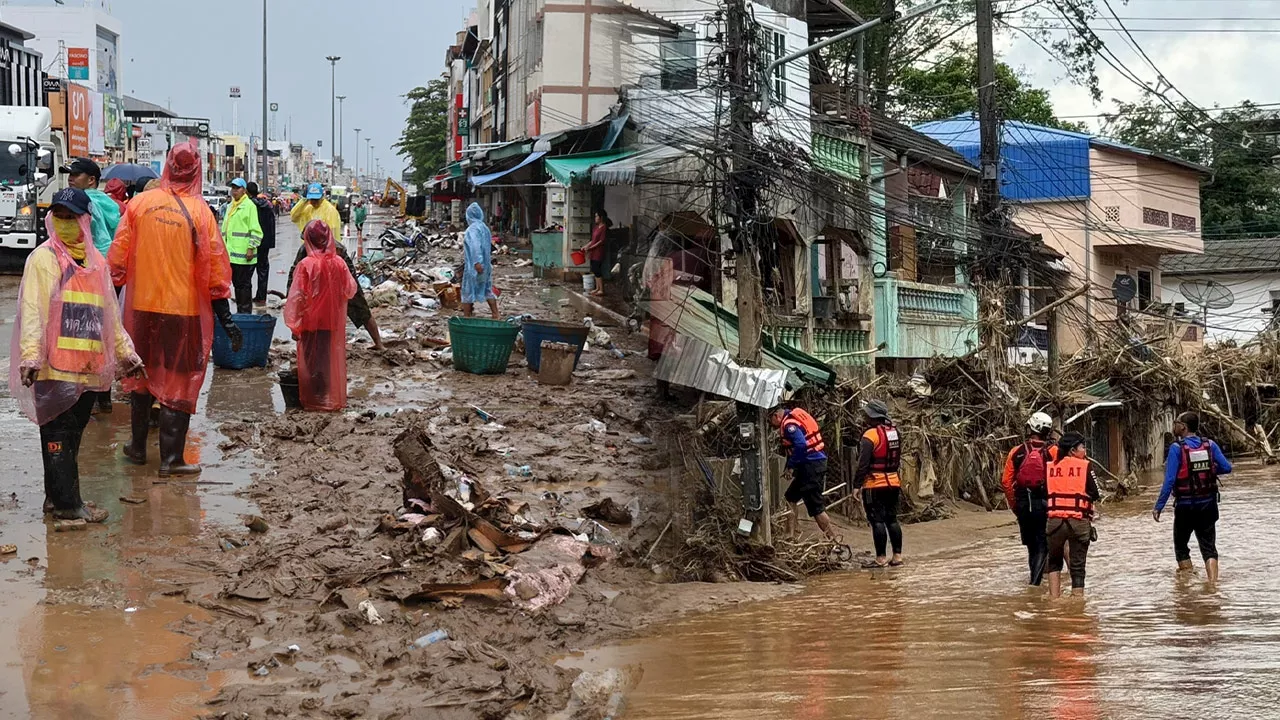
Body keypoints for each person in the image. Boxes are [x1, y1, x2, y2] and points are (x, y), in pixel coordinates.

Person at [10, 187, 144, 522]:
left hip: (87, 368)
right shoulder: (43, 259)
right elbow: (33, 311)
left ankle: (56, 498)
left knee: (73, 436)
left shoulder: (96, 263)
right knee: (57, 436)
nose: (66, 223)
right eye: (61, 216)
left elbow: (109, 315)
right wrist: (31, 356)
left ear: (86, 220)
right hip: (53, 368)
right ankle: (69, 506)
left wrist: (127, 353)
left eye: (72, 217)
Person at [108, 142, 240, 478]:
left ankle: (137, 448)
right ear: (197, 170)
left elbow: (117, 261)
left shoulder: (139, 205)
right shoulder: (201, 214)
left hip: (141, 309)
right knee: (178, 384)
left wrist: (109, 308)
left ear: (167, 165)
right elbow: (214, 272)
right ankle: (170, 459)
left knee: (139, 377)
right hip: (183, 314)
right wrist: (225, 317)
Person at [62, 158, 123, 413]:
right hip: (106, 270)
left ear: (91, 180)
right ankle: (103, 394)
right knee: (103, 330)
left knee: (79, 330)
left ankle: (86, 391)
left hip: (88, 271)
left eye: (76, 175)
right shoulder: (108, 203)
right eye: (69, 174)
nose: (70, 178)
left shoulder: (83, 203)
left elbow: (84, 239)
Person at [285, 220, 357, 411]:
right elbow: (350, 289)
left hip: (310, 323)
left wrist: (294, 325)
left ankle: (314, 399)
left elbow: (297, 298)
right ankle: (325, 396)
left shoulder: (306, 265)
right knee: (326, 360)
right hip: (330, 322)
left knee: (310, 362)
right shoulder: (339, 263)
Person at [1154, 411, 1231, 583]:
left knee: (1181, 547)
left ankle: (1187, 588)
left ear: (1183, 427)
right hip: (1208, 505)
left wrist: (1159, 506)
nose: (1174, 425)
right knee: (1209, 547)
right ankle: (1212, 586)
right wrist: (1207, 470)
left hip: (1185, 506)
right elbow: (1227, 467)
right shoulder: (1210, 445)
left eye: (1176, 422)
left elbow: (1170, 480)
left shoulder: (1176, 449)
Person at [1002, 411, 1059, 586]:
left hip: (1023, 504)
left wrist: (1014, 505)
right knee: (1043, 544)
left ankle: (1033, 580)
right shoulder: (1054, 452)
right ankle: (1035, 583)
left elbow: (1006, 482)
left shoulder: (1016, 451)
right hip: (1044, 504)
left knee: (1031, 547)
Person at [770, 405, 839, 543]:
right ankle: (790, 535)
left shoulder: (789, 425)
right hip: (810, 463)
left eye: (770, 420)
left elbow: (801, 445)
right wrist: (790, 467)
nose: (770, 425)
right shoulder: (793, 417)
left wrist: (791, 467)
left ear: (776, 416)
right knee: (790, 497)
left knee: (816, 507)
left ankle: (834, 540)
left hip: (811, 466)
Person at [1045, 432, 1102, 598]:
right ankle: (1077, 606)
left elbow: (1044, 491)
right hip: (1078, 521)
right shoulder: (1085, 466)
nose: (1084, 450)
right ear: (1072, 450)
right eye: (1082, 447)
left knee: (1054, 562)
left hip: (1055, 522)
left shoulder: (1051, 467)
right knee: (1077, 567)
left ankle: (1054, 601)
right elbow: (1095, 493)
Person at [852, 400, 904, 567]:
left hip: (874, 484)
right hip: (894, 482)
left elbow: (863, 464)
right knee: (892, 520)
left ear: (872, 417)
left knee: (878, 521)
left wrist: (856, 486)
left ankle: (881, 558)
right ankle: (897, 557)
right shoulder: (895, 432)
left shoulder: (869, 436)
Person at [221, 178, 263, 314]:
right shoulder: (230, 206)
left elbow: (256, 231)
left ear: (244, 190)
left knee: (244, 287)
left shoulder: (249, 206)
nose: (234, 191)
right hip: (231, 255)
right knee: (237, 286)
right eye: (233, 188)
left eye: (237, 188)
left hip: (244, 256)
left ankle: (245, 313)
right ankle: (240, 312)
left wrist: (251, 248)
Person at [461, 202, 499, 319]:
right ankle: (495, 314)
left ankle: (467, 317)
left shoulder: (472, 230)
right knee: (487, 289)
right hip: (486, 266)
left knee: (468, 290)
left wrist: (477, 262)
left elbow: (475, 246)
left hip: (475, 266)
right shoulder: (484, 228)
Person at [246, 181, 276, 307]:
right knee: (263, 270)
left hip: (253, 242)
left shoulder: (249, 205)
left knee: (248, 271)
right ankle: (261, 297)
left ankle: (246, 296)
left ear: (247, 192)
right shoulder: (267, 205)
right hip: (265, 243)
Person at [585, 210, 610, 297]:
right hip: (593, 252)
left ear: (601, 217)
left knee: (597, 269)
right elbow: (593, 240)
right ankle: (597, 288)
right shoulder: (596, 228)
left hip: (599, 252)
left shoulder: (604, 228)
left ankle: (601, 289)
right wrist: (586, 246)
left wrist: (591, 247)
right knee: (594, 269)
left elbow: (601, 241)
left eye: (596, 216)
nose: (595, 218)